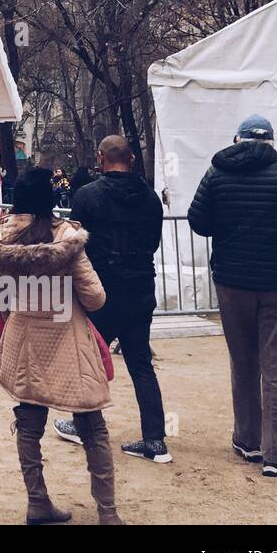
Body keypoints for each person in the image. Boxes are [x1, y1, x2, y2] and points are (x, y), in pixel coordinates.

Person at [188, 114, 277, 477]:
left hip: (233, 280)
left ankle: (248, 440)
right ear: (271, 142)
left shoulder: (217, 174)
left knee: (243, 360)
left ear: (238, 140)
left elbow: (198, 221)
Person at [0, 167, 120, 525]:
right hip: (67, 342)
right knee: (93, 427)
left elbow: (1, 297)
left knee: (28, 425)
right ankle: (107, 512)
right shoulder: (67, 239)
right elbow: (96, 297)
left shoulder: (0, 241)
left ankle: (37, 501)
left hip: (24, 343)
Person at [55, 136, 170, 464]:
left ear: (101, 158)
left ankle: (81, 425)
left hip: (100, 292)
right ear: (131, 158)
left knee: (88, 360)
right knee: (140, 364)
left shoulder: (87, 196)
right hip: (140, 288)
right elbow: (153, 243)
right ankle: (155, 439)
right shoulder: (150, 199)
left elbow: (76, 247)